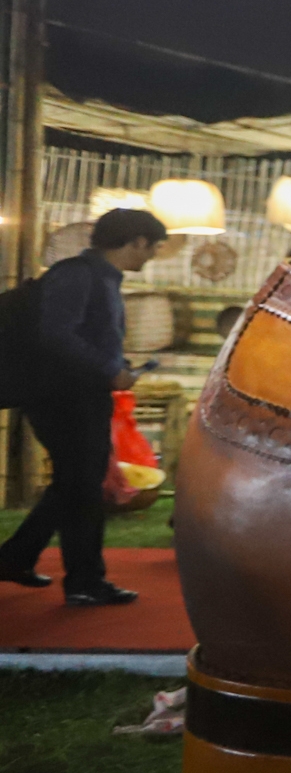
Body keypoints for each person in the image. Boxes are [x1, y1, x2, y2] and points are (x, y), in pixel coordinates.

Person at [0, 208, 168, 606]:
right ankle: (83, 580)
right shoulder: (77, 275)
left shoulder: (99, 277)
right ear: (137, 241)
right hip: (61, 395)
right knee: (83, 486)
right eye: (153, 247)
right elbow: (57, 334)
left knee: (76, 483)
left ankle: (18, 559)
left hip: (77, 393)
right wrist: (111, 370)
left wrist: (115, 368)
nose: (152, 256)